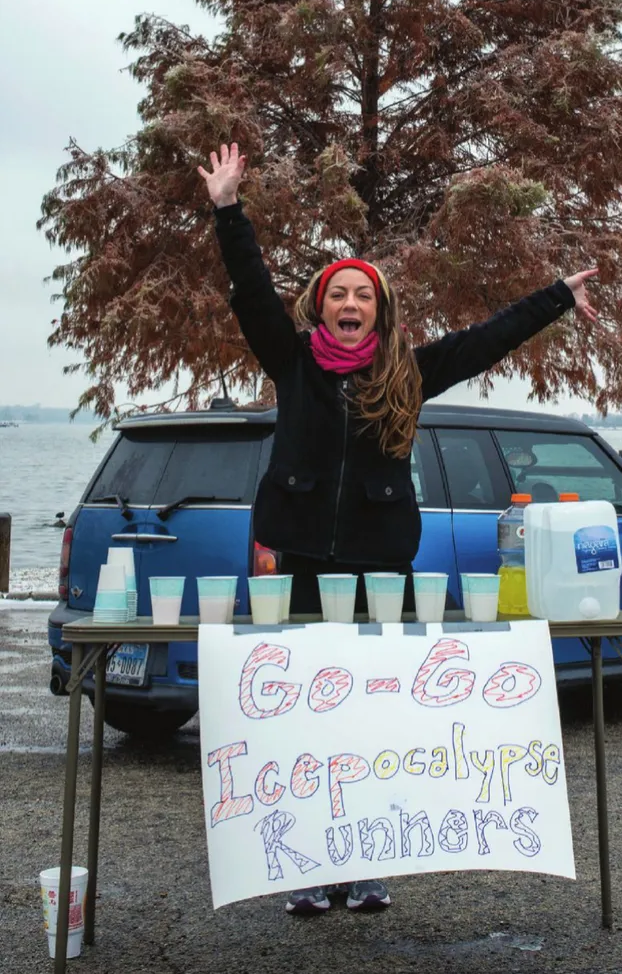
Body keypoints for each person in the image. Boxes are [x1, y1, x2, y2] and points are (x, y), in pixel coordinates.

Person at [199, 142, 598, 915]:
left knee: (372, 720)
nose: (351, 304)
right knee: (299, 719)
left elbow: (487, 339)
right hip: (297, 564)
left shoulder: (407, 373)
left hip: (380, 571)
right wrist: (227, 208)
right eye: (339, 294)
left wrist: (556, 297)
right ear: (321, 307)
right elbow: (250, 289)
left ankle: (368, 863)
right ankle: (305, 866)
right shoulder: (292, 362)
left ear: (379, 312)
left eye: (364, 296)